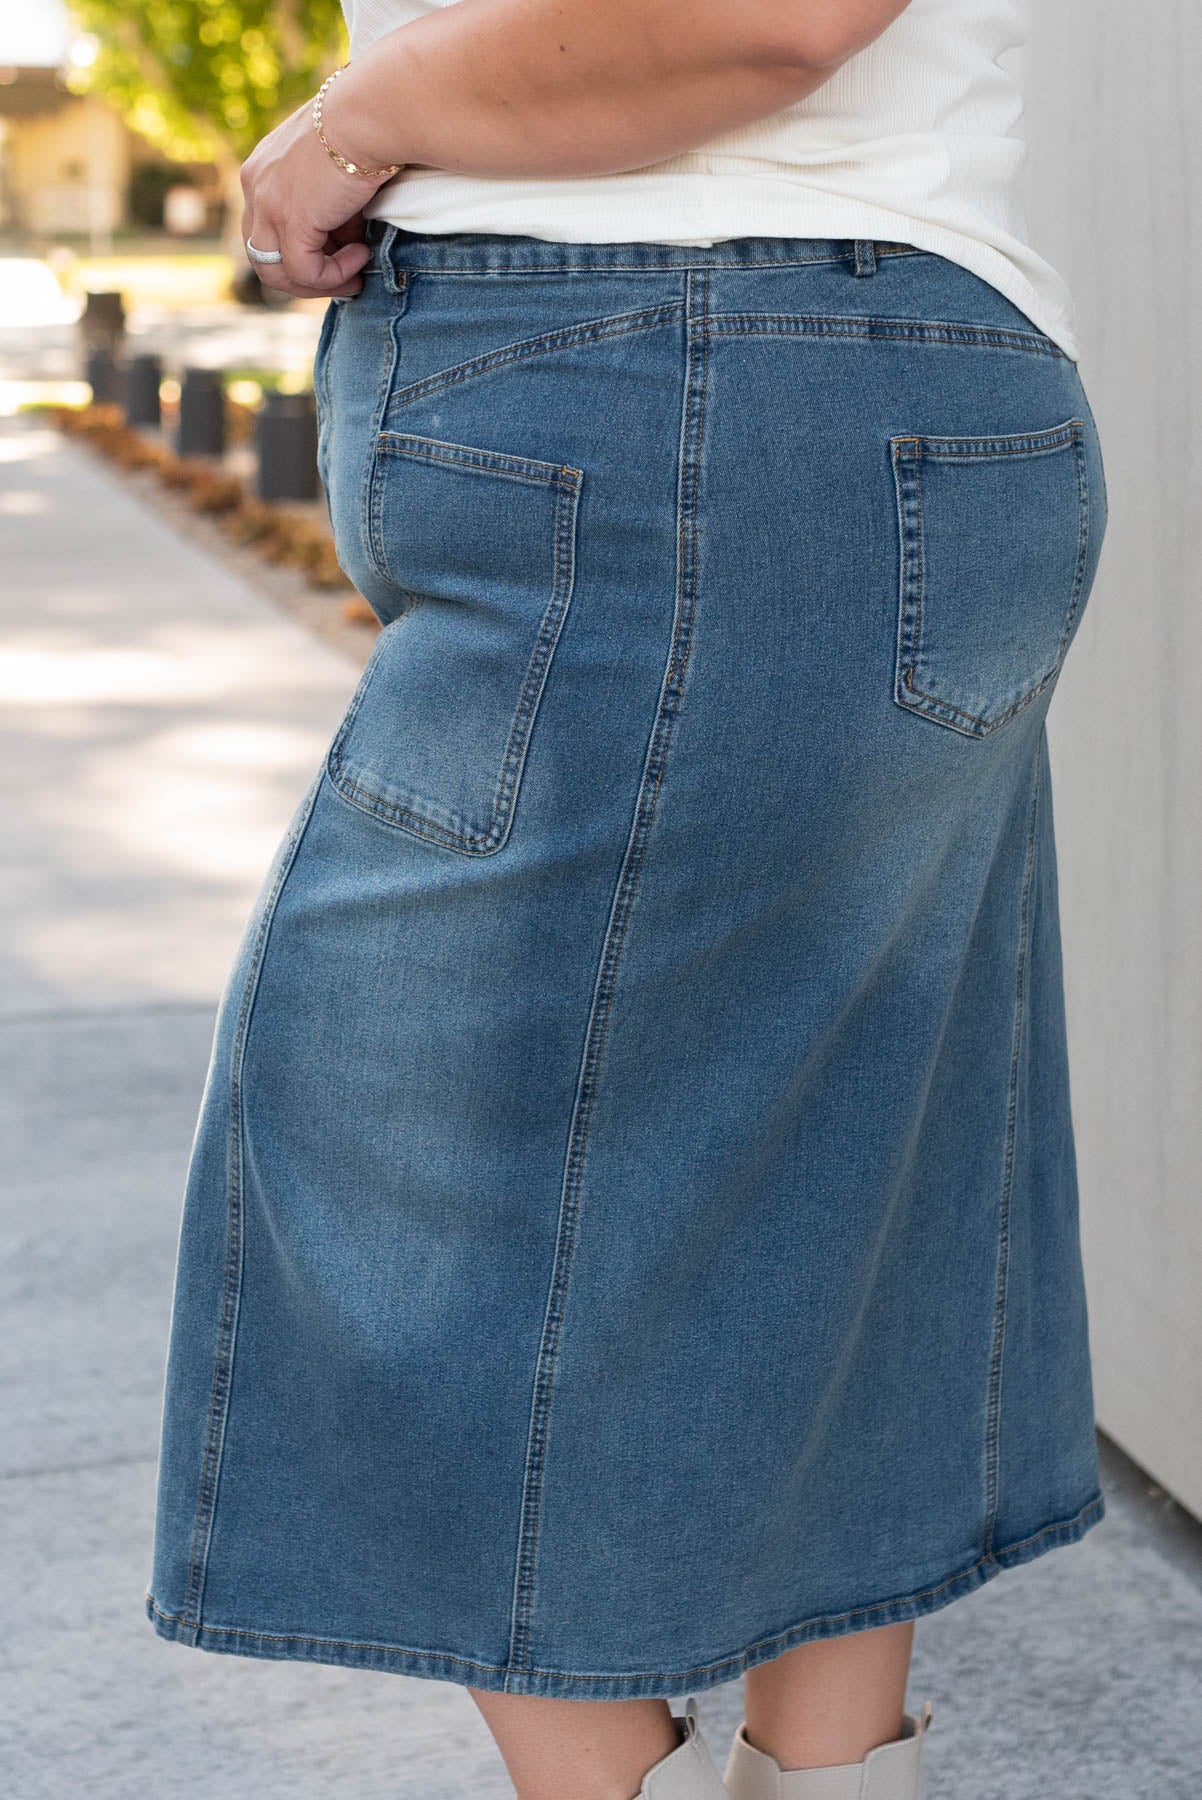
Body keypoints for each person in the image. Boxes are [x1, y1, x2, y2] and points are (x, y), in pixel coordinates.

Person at [145, 3, 1110, 1796]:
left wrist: (347, 133)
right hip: (773, 394)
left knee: (390, 1133)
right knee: (834, 1147)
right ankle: (832, 1772)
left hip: (704, 388)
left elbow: (759, 14)